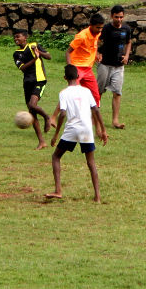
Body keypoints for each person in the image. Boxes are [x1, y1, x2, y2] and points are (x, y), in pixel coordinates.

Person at [46, 64, 108, 202]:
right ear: (78, 77)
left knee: (56, 157)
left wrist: (56, 134)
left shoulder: (63, 93)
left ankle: (58, 190)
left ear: (64, 78)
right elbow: (96, 110)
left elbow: (62, 114)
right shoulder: (86, 91)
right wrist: (103, 130)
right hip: (86, 128)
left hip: (72, 129)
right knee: (91, 162)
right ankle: (97, 196)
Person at [13, 30, 53, 148]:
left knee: (32, 105)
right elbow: (23, 68)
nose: (16, 39)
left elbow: (49, 56)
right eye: (14, 37)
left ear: (25, 37)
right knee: (32, 112)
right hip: (27, 83)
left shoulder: (34, 45)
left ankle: (47, 117)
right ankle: (41, 141)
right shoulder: (16, 54)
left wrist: (38, 52)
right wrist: (35, 59)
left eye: (18, 36)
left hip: (39, 80)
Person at [96, 5, 133, 129]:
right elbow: (97, 41)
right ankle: (94, 118)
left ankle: (115, 120)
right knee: (98, 92)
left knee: (117, 92)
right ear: (112, 16)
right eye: (116, 17)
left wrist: (127, 55)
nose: (119, 19)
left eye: (121, 17)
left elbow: (128, 42)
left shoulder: (126, 29)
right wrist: (97, 53)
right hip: (105, 65)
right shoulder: (106, 29)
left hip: (118, 66)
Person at [66, 12, 104, 106]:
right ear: (91, 25)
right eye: (98, 27)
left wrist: (97, 54)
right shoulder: (81, 36)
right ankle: (57, 114)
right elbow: (67, 52)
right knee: (73, 93)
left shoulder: (97, 34)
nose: (100, 30)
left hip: (88, 69)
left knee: (96, 95)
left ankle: (95, 118)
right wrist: (70, 68)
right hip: (77, 68)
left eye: (101, 28)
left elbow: (94, 46)